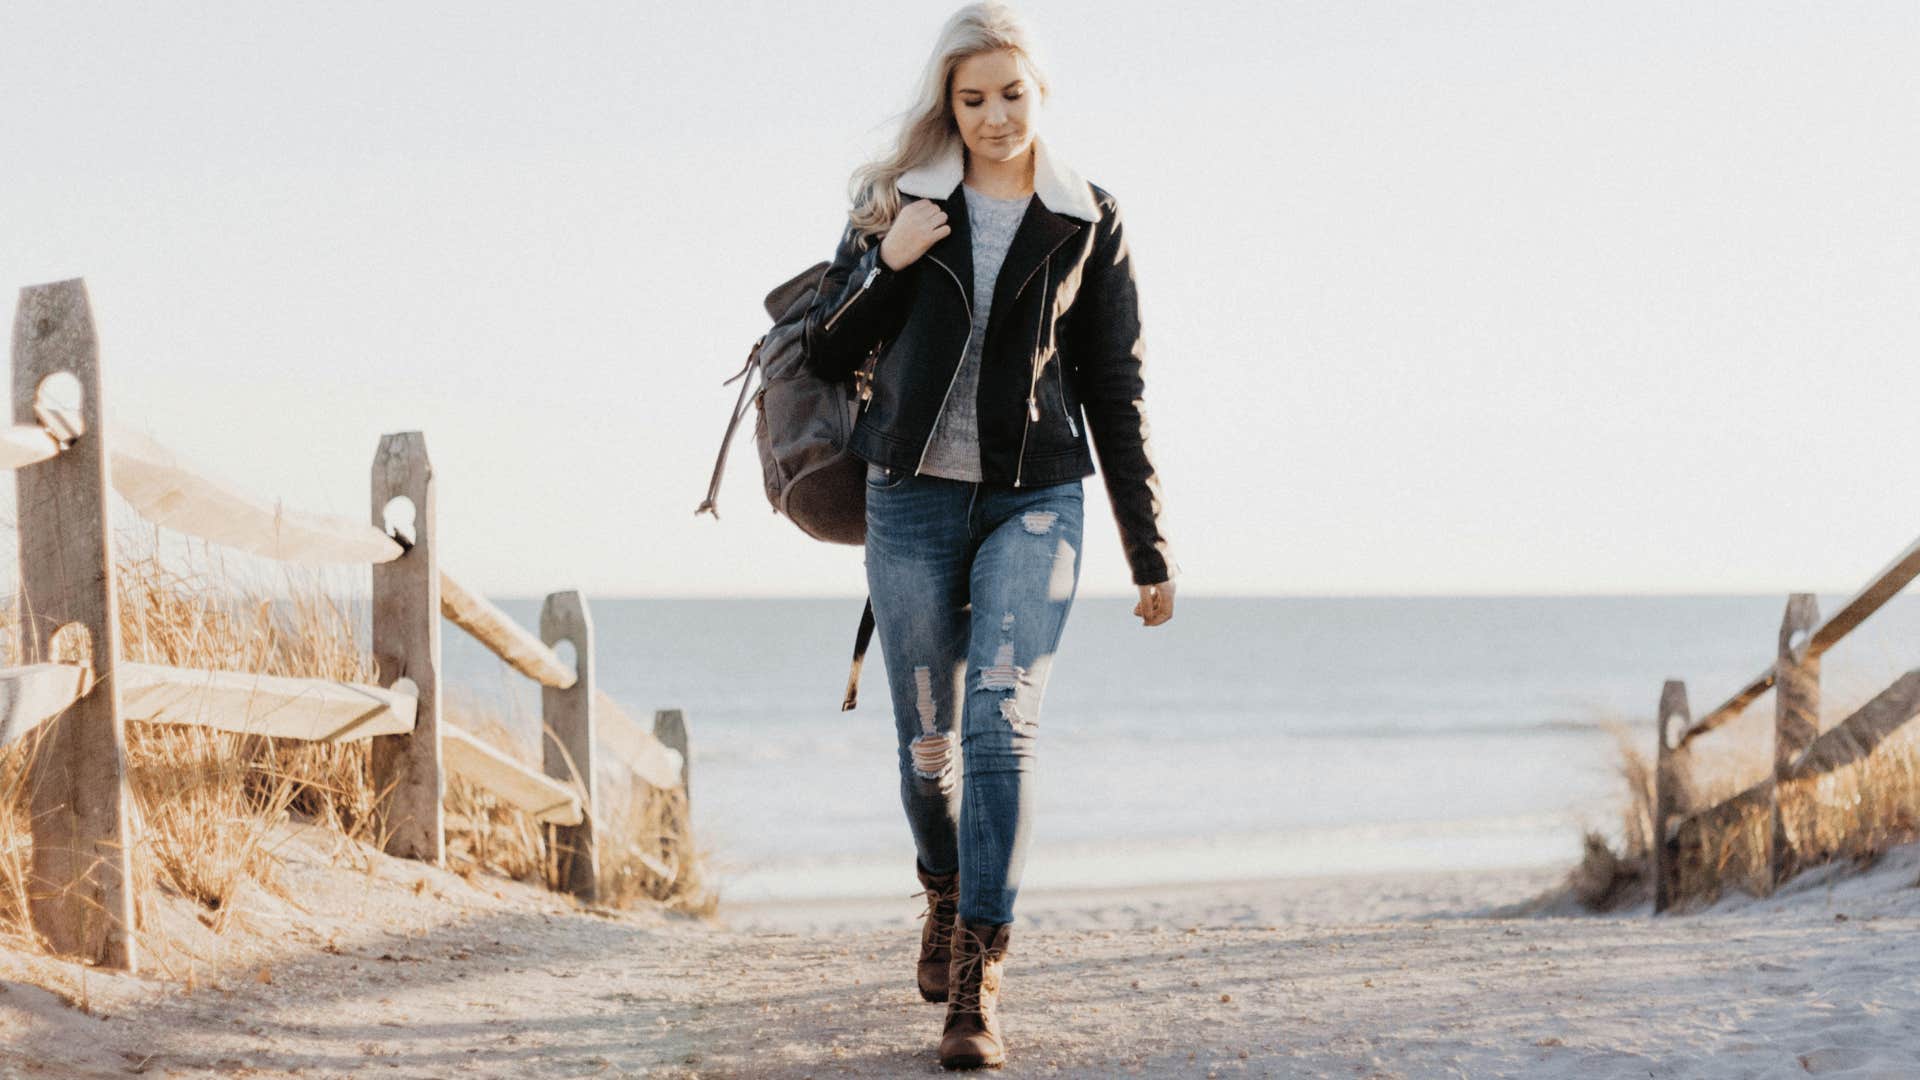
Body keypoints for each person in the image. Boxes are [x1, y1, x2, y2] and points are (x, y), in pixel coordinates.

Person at [803, 2, 1176, 1069]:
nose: (996, 116)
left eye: (1013, 94)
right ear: (948, 104)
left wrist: (1146, 545)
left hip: (1038, 500)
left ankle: (979, 977)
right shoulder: (896, 203)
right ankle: (942, 889)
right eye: (974, 99)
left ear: (1040, 92)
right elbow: (828, 356)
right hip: (911, 498)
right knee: (929, 751)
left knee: (1001, 725)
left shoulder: (1088, 216)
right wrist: (894, 264)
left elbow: (1115, 381)